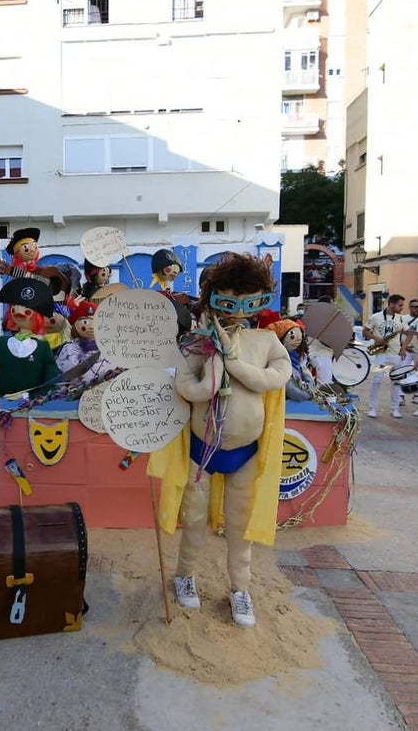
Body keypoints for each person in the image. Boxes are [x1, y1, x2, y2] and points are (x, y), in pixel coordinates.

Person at [150, 253, 290, 628]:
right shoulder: (196, 343)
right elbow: (185, 385)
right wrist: (211, 374)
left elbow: (276, 377)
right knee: (192, 520)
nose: (238, 310)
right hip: (201, 450)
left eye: (248, 300)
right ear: (211, 298)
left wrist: (235, 364)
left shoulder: (265, 341)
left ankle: (240, 589)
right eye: (228, 300)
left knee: (241, 525)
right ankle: (185, 576)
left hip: (245, 451)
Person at [0, 279, 60, 435]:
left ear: (35, 316)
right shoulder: (1, 345)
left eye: (27, 311)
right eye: (15, 309)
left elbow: (51, 381)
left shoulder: (42, 347)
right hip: (5, 412)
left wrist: (32, 396)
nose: (20, 314)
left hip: (35, 413)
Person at [363, 294, 407, 419]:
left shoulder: (401, 318)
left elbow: (408, 334)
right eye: (400, 305)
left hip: (396, 355)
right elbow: (365, 331)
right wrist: (377, 338)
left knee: (396, 382)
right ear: (391, 304)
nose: (401, 308)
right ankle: (372, 408)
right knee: (376, 381)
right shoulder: (376, 317)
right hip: (381, 354)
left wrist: (403, 348)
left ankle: (395, 409)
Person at [55, 301, 114, 383]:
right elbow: (71, 376)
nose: (92, 327)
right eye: (85, 322)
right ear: (75, 325)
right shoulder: (70, 349)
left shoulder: (108, 346)